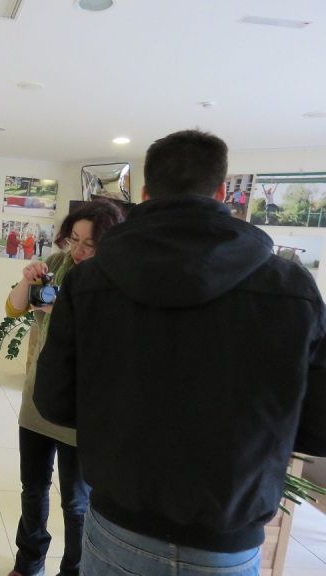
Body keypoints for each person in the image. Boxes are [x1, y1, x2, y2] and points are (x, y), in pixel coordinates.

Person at [35, 129, 326, 576]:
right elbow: (318, 427)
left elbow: (54, 400)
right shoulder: (291, 288)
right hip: (226, 536)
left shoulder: (89, 281)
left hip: (119, 522)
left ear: (145, 193)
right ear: (223, 192)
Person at [5, 200, 124, 576]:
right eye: (74, 239)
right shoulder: (57, 265)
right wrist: (28, 279)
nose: (79, 250)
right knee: (33, 487)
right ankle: (29, 562)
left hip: (81, 410)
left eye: (90, 244)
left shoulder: (115, 281)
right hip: (39, 398)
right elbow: (14, 309)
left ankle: (74, 569)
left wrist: (63, 313)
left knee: (76, 501)